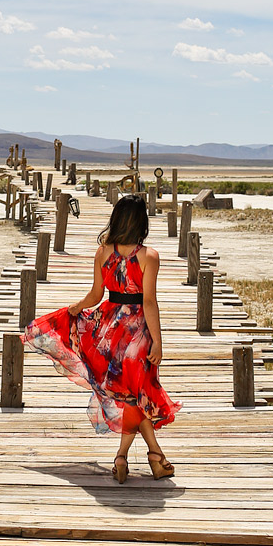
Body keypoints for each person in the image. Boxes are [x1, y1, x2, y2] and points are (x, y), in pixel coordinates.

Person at [21, 192, 180, 482]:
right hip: (137, 333)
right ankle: (147, 457)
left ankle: (134, 458)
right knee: (137, 394)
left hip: (108, 329)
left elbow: (97, 295)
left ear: (117, 220)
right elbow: (148, 302)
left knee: (132, 395)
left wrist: (76, 308)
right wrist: (157, 341)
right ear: (142, 223)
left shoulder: (104, 252)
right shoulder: (149, 256)